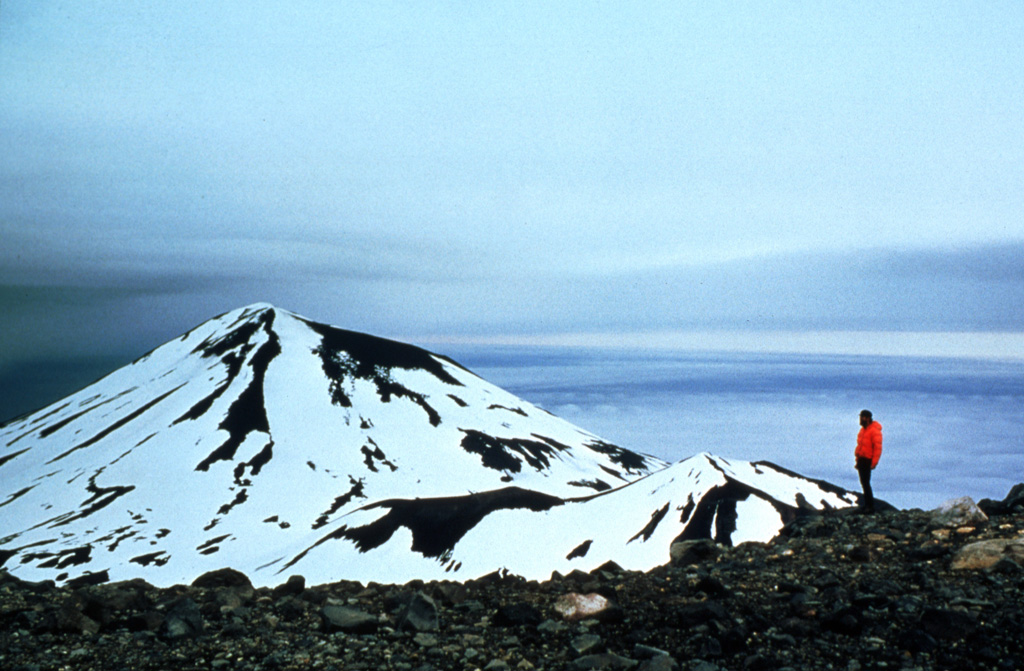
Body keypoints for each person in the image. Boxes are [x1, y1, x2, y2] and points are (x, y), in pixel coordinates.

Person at [854, 410, 883, 512]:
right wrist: (857, 459)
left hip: (867, 460)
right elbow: (860, 446)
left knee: (866, 482)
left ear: (867, 418)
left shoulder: (874, 431)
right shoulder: (863, 430)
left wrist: (874, 462)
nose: (860, 419)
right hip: (862, 459)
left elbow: (877, 448)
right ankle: (867, 504)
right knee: (864, 482)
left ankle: (870, 506)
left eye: (862, 417)